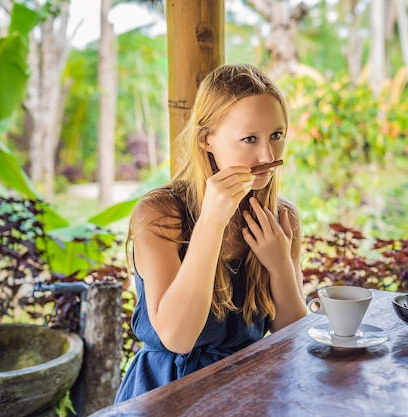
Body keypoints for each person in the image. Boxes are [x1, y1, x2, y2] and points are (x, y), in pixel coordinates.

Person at [114, 64, 308, 403]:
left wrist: (280, 266)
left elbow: (291, 337)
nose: (268, 155)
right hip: (168, 392)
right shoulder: (159, 214)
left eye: (276, 135)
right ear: (207, 141)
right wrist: (211, 223)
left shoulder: (280, 216)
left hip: (248, 389)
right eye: (250, 139)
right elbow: (177, 337)